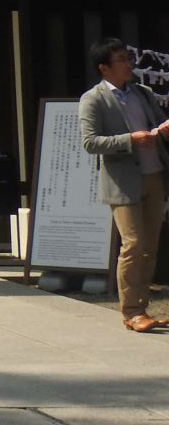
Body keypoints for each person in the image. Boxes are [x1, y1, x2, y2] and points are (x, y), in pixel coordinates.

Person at [79, 38, 169, 333]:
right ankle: (131, 312)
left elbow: (158, 125)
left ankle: (142, 307)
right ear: (104, 68)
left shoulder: (143, 93)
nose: (129, 64)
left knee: (151, 246)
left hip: (153, 174)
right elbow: (90, 142)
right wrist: (130, 139)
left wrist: (163, 130)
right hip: (122, 182)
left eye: (129, 58)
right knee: (133, 244)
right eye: (121, 60)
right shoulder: (93, 99)